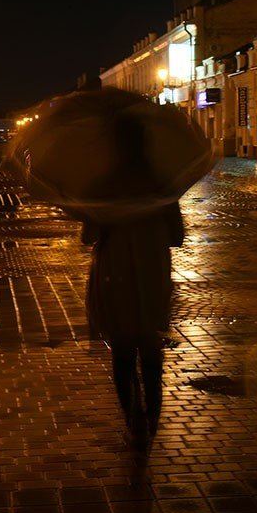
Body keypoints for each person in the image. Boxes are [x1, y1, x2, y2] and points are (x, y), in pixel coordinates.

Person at [80, 113, 185, 442]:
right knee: (151, 346)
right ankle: (152, 413)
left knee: (123, 350)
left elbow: (88, 236)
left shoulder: (104, 184)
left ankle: (132, 419)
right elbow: (177, 236)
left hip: (115, 273)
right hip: (154, 270)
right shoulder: (160, 183)